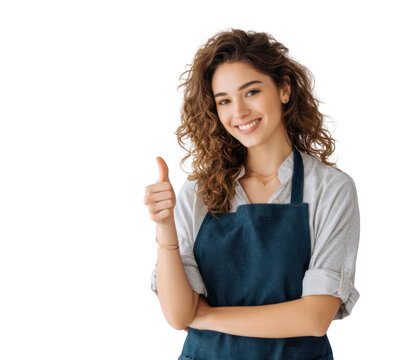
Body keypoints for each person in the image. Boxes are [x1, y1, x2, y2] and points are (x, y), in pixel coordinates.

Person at [143, 28, 360, 360]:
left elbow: (315, 317)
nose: (239, 112)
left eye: (252, 92)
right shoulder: (197, 193)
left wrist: (208, 316)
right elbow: (177, 315)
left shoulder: (329, 189)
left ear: (284, 89)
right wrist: (164, 228)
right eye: (224, 101)